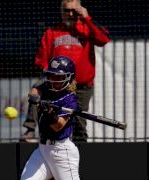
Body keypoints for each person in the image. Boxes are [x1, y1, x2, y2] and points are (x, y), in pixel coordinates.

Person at [5, 56, 133, 180]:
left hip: (61, 152)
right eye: (52, 76)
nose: (53, 80)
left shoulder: (70, 101)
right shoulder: (47, 87)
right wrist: (35, 97)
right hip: (42, 149)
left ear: (68, 78)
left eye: (59, 77)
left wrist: (50, 112)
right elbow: (36, 89)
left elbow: (58, 126)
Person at [20, 0, 110, 143]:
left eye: (74, 11)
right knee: (36, 91)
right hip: (56, 82)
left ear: (80, 11)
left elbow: (104, 39)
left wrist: (87, 18)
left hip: (81, 85)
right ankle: (30, 130)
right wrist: (45, 72)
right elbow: (41, 58)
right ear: (61, 12)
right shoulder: (52, 32)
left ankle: (81, 146)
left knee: (79, 120)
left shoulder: (86, 29)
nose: (70, 14)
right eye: (66, 10)